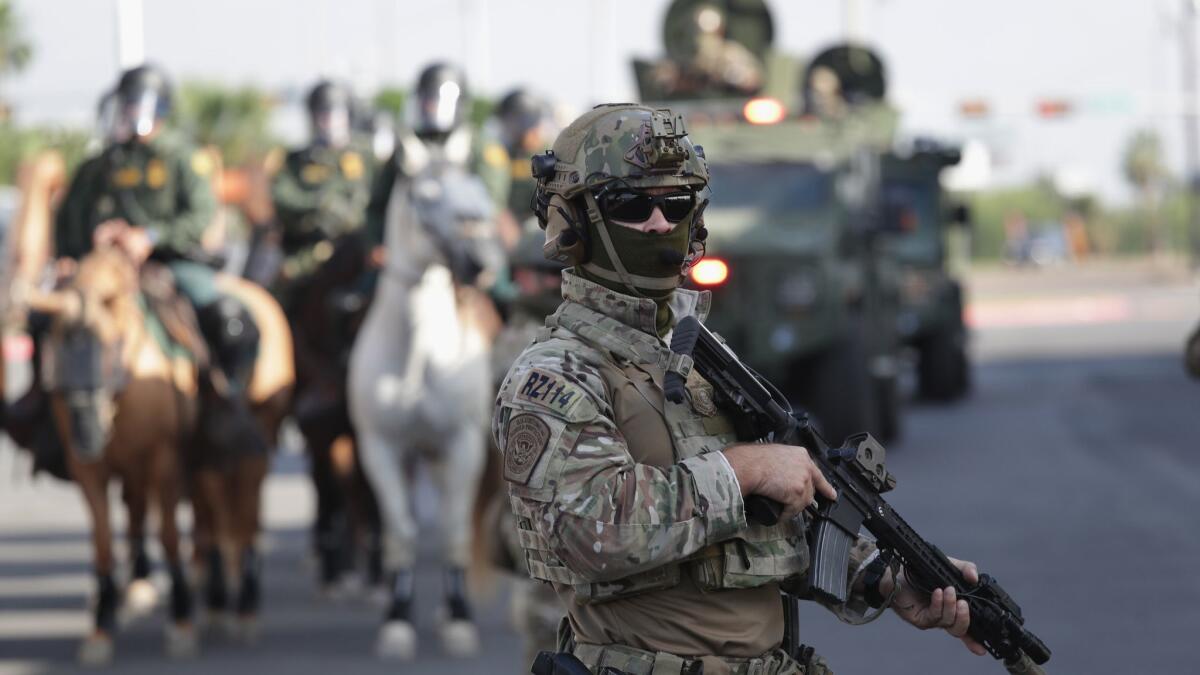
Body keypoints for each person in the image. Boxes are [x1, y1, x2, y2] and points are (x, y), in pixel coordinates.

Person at [492, 104, 986, 675]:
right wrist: (744, 469)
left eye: (675, 203)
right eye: (629, 205)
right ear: (573, 221)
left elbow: (755, 526)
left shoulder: (695, 351)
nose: (658, 222)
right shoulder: (555, 372)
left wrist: (886, 579)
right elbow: (589, 532)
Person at [53, 63, 262, 452]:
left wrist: (149, 236)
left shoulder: (181, 157)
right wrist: (81, 248)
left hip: (171, 261)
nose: (131, 113)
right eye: (126, 106)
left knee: (226, 316)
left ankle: (227, 405)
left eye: (138, 105)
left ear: (160, 108)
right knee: (55, 318)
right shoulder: (103, 162)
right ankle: (51, 416)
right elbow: (71, 217)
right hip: (108, 268)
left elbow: (200, 213)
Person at [270, 78, 375, 308]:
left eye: (335, 113)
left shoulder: (365, 155)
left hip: (356, 246)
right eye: (323, 114)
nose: (329, 121)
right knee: (281, 288)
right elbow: (282, 197)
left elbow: (372, 199)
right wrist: (319, 204)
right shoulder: (297, 159)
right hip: (307, 248)